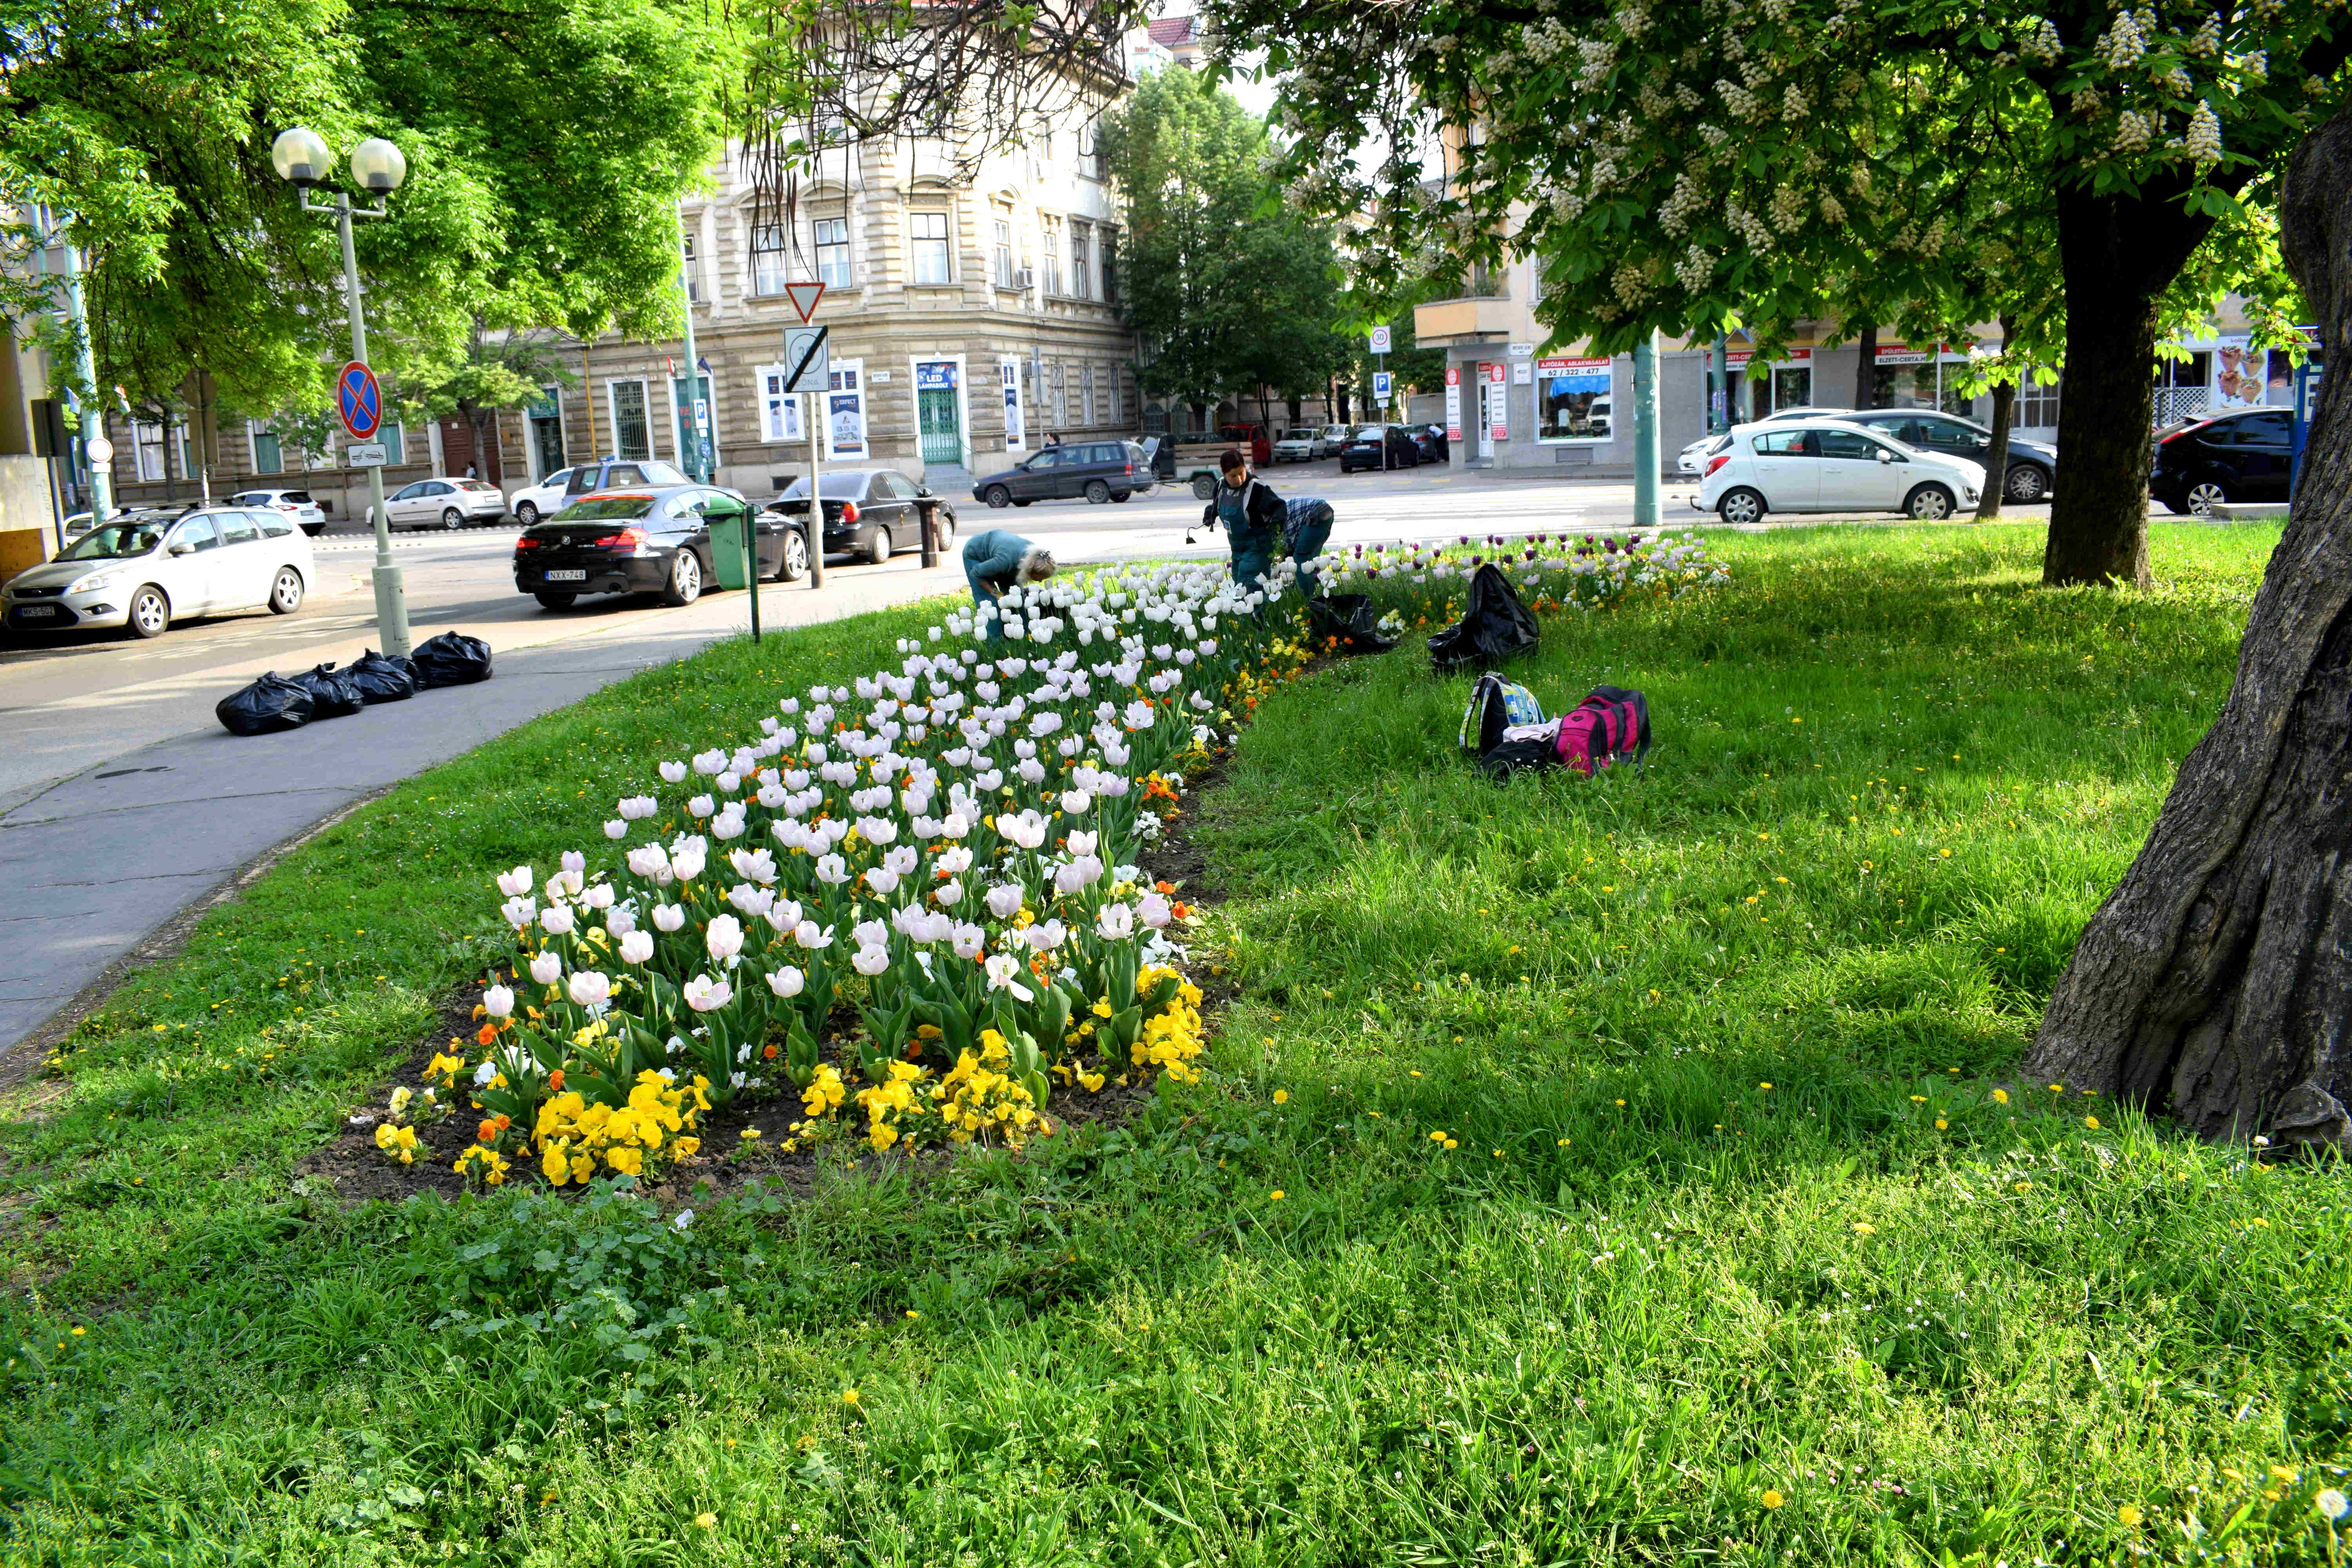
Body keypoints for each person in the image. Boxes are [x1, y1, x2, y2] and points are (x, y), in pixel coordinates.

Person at [1200, 446, 1288, 594]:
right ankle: (1247, 617)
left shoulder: (1258, 489)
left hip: (1257, 547)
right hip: (1236, 548)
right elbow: (1217, 504)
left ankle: (1258, 616)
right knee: (1238, 587)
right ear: (1224, 474)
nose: (1239, 479)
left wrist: (1274, 528)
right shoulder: (1221, 486)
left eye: (1241, 473)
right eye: (1233, 476)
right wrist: (1211, 514)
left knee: (1251, 588)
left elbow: (1280, 508)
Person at [961, 528, 1056, 641]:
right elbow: (976, 574)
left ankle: (1024, 637)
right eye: (1040, 578)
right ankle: (995, 643)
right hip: (976, 555)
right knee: (989, 605)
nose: (1040, 582)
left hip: (1001, 555)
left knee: (1017, 598)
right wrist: (995, 593)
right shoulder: (1005, 561)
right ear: (1030, 571)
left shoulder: (1035, 555)